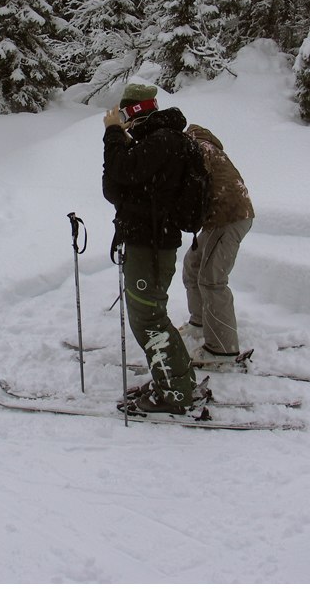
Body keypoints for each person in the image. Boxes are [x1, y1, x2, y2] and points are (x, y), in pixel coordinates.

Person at [102, 83, 196, 414]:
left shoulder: (162, 141)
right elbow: (119, 187)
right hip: (151, 243)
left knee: (148, 318)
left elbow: (119, 173)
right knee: (151, 315)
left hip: (151, 246)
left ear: (136, 112)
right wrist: (121, 139)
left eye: (125, 113)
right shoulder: (160, 141)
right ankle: (176, 381)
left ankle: (175, 394)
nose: (122, 120)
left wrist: (112, 134)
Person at [178, 124, 254, 367]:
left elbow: (193, 185)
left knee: (212, 279)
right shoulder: (207, 147)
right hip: (220, 218)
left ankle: (222, 350)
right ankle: (199, 322)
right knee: (193, 264)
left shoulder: (200, 149)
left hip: (229, 217)